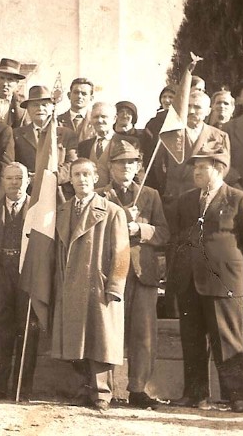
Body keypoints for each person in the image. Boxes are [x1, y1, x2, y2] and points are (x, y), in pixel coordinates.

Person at [167, 139, 243, 413]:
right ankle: (194, 394)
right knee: (192, 338)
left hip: (224, 282)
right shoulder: (186, 201)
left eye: (202, 167)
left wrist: (228, 266)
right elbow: (177, 238)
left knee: (228, 339)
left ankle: (237, 397)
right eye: (194, 167)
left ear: (219, 168)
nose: (196, 172)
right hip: (189, 281)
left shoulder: (240, 199)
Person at [51, 158, 130, 411]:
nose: (82, 179)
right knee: (76, 340)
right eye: (77, 175)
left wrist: (115, 287)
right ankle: (83, 389)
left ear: (96, 178)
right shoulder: (62, 212)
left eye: (87, 174)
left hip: (98, 284)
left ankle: (102, 393)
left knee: (100, 340)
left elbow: (121, 253)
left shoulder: (112, 211)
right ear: (70, 179)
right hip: (70, 285)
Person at [97, 141, 169, 409]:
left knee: (143, 334)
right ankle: (105, 389)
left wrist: (140, 228)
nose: (125, 167)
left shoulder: (150, 195)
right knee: (108, 330)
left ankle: (138, 388)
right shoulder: (101, 196)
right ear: (110, 167)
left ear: (139, 166)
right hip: (111, 273)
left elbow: (164, 233)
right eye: (119, 163)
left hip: (142, 274)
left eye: (131, 163)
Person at [0, 162, 41, 401]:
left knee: (27, 333)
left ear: (28, 180)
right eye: (10, 178)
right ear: (2, 181)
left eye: (19, 178)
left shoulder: (38, 209)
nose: (14, 183)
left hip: (27, 278)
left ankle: (22, 388)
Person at [13, 85, 78, 185]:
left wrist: (49, 178)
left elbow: (72, 164)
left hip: (59, 191)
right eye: (35, 105)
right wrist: (28, 178)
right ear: (28, 109)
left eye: (44, 105)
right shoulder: (17, 135)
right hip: (29, 189)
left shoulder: (67, 134)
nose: (40, 108)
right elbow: (14, 163)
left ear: (52, 107)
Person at [77, 102, 140, 186]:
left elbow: (138, 174)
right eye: (96, 117)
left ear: (114, 119)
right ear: (91, 120)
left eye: (104, 116)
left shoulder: (130, 142)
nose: (99, 120)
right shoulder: (84, 146)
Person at [0, 58, 29, 128]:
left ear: (17, 83)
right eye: (1, 78)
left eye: (10, 79)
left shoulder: (23, 104)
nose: (5, 83)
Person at [58, 77, 96, 142]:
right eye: (76, 92)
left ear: (91, 98)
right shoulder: (57, 120)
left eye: (84, 94)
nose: (79, 96)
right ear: (69, 95)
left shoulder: (96, 121)